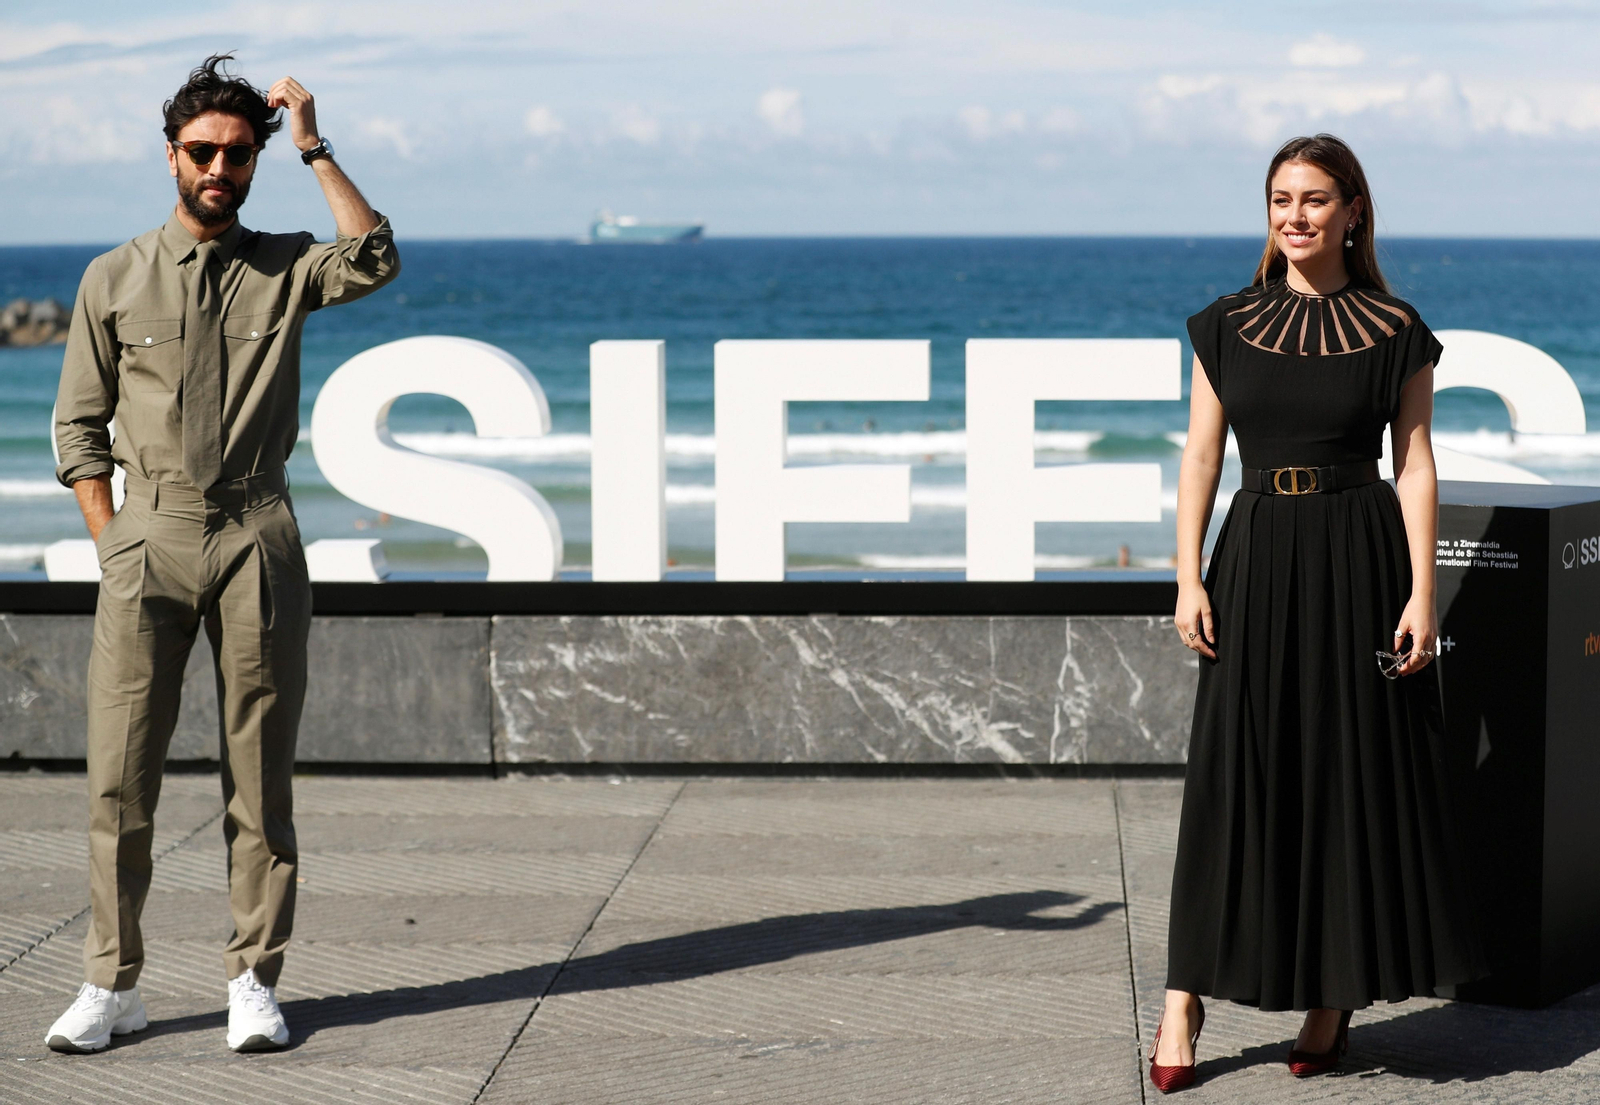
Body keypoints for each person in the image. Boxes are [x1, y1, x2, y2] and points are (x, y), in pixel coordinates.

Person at [46, 55, 399, 1054]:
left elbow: (373, 258)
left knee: (259, 771)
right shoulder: (112, 277)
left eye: (237, 155)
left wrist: (316, 148)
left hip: (257, 533)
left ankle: (254, 977)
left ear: (254, 165)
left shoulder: (287, 263)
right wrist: (115, 546)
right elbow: (78, 431)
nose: (218, 168)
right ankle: (113, 984)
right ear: (171, 158)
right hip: (147, 535)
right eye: (201, 151)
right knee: (119, 778)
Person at [1151, 134, 1485, 1092]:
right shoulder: (1224, 324)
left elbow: (1415, 463)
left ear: (1352, 212)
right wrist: (1188, 574)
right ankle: (1185, 992)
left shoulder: (1394, 327)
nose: (1294, 215)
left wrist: (1424, 591)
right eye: (1279, 199)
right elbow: (1202, 457)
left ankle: (1331, 1003)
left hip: (1360, 555)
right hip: (1256, 553)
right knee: (1232, 775)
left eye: (1314, 199)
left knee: (1350, 773)